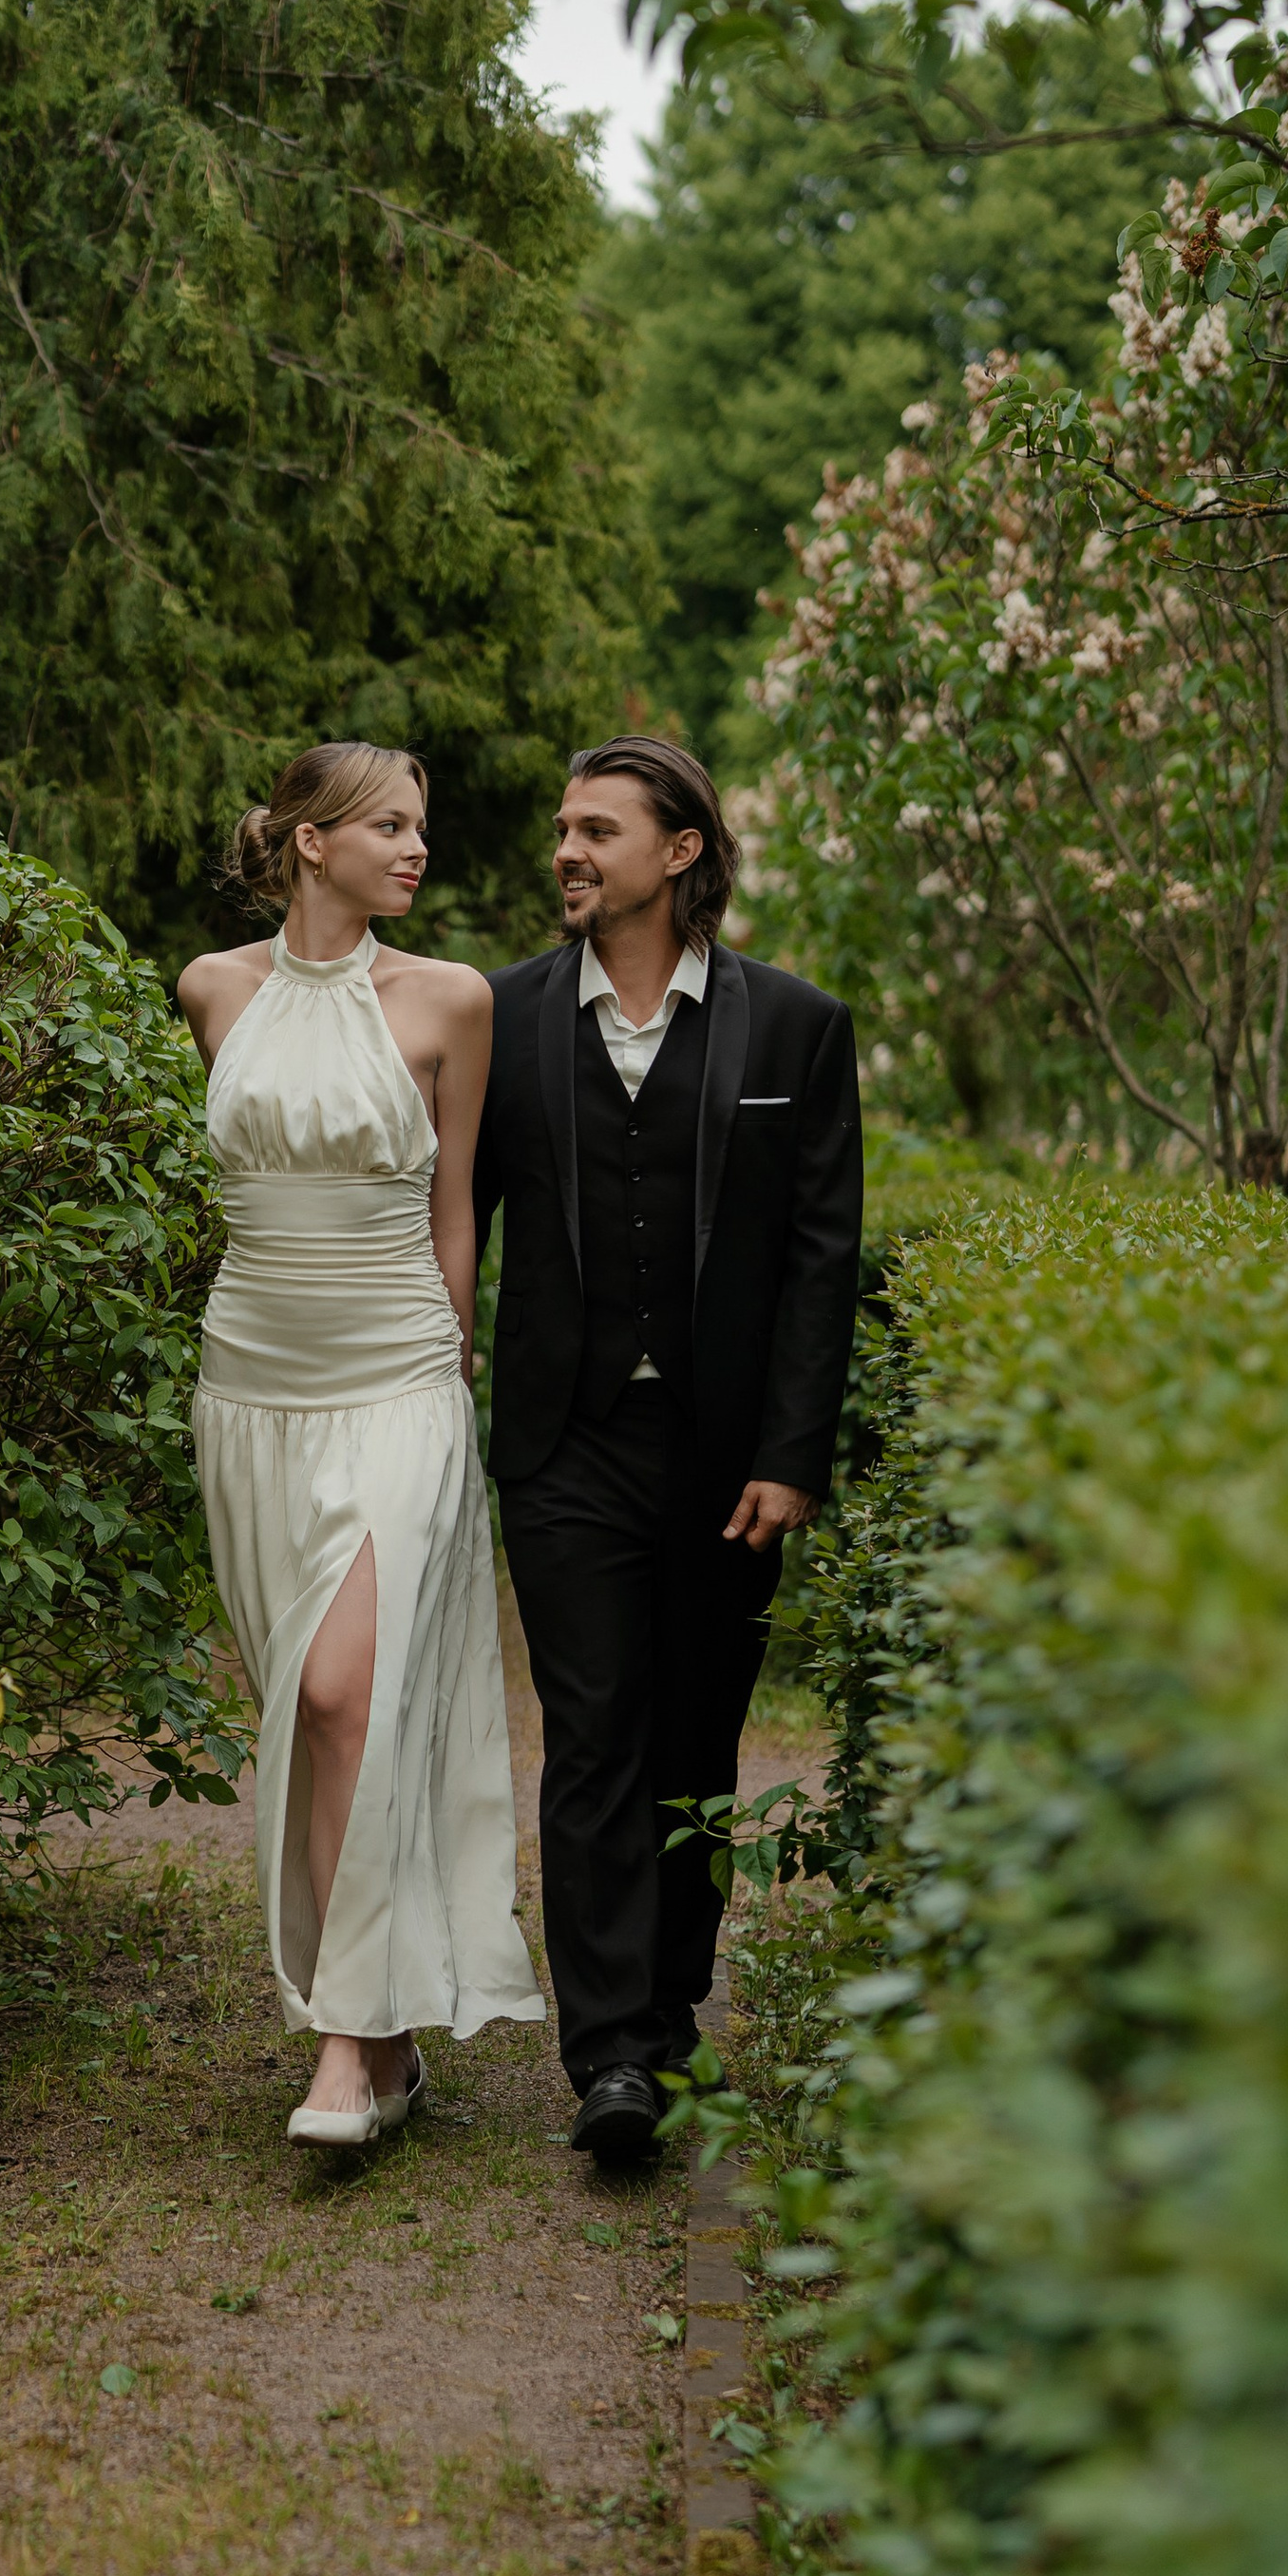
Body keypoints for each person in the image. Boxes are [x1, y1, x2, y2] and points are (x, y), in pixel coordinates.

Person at [474, 736, 862, 2170]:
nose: (568, 852)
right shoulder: (500, 1018)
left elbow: (824, 1258)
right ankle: (611, 2054)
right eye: (563, 830)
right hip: (564, 1447)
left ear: (680, 851)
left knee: (695, 1738)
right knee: (591, 1737)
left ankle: (674, 2010)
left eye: (596, 830)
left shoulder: (796, 1029)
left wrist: (791, 1449)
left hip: (724, 1454)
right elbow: (451, 1220)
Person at [179, 742, 542, 2150]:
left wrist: (454, 1367)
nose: (417, 849)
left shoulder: (449, 999)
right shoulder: (215, 990)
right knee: (315, 1716)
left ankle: (343, 2040)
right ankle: (384, 2041)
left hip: (399, 1379)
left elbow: (458, 1210)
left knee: (346, 1695)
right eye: (390, 825)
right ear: (310, 841)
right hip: (252, 1387)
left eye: (422, 830)